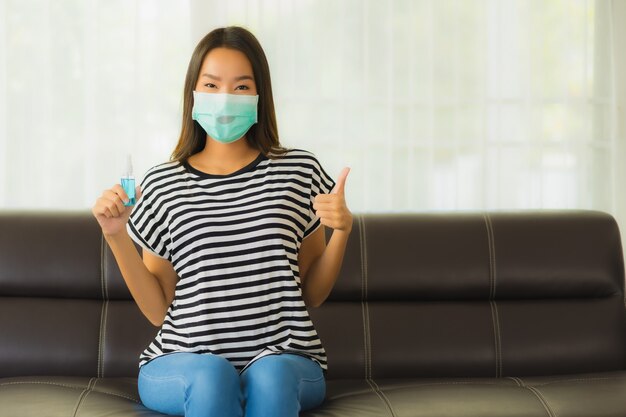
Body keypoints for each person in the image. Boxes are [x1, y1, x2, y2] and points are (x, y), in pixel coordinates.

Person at [91, 25, 352, 417]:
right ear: (193, 95)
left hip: (286, 359)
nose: (226, 98)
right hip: (183, 361)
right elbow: (160, 309)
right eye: (212, 85)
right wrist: (116, 237)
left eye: (241, 87)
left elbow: (311, 294)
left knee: (271, 377)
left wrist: (343, 231)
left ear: (260, 95)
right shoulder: (163, 183)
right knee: (213, 377)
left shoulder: (299, 171)